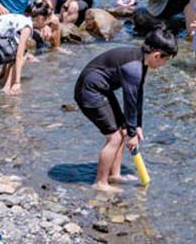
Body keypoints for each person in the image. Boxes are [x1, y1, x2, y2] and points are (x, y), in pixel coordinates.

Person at [74, 28, 178, 193]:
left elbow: (138, 94)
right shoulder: (133, 68)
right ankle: (100, 183)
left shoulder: (141, 60)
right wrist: (132, 135)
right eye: (166, 60)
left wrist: (137, 126)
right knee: (115, 137)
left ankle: (115, 175)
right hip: (88, 91)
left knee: (123, 130)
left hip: (100, 88)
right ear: (156, 55)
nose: (164, 64)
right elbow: (129, 101)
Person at [0, 0, 55, 95]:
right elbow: (19, 55)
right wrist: (17, 82)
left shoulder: (22, 18)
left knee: (14, 51)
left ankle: (3, 78)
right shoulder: (27, 27)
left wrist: (4, 69)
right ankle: (8, 87)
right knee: (22, 54)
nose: (47, 25)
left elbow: (9, 41)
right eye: (47, 22)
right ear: (41, 18)